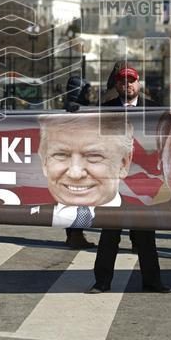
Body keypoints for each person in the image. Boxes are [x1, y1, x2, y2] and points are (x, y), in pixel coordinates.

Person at [89, 63, 171, 294]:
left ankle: (152, 281)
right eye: (123, 81)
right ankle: (102, 282)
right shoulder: (104, 110)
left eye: (131, 81)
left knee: (146, 236)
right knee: (109, 235)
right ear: (116, 84)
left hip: (142, 182)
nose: (127, 85)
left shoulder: (153, 109)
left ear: (138, 83)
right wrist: (73, 110)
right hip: (113, 181)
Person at [61, 76, 96, 249]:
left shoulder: (79, 109)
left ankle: (75, 234)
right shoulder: (73, 110)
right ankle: (75, 235)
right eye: (86, 91)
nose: (90, 95)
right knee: (78, 200)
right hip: (75, 162)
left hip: (78, 160)